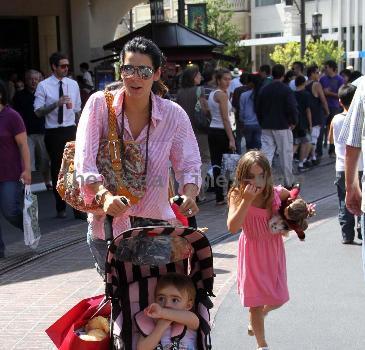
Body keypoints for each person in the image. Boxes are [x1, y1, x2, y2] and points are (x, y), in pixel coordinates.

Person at [74, 37, 201, 274]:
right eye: (128, 69)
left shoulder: (173, 115)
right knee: (120, 302)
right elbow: (84, 161)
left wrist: (190, 194)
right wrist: (103, 196)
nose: (135, 77)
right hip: (109, 225)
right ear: (120, 71)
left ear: (156, 74)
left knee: (156, 301)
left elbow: (189, 164)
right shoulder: (100, 105)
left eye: (144, 70)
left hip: (155, 225)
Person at [227, 150, 290, 350]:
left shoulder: (274, 193)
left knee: (279, 298)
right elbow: (233, 227)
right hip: (252, 252)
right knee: (255, 303)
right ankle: (262, 345)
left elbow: (292, 200)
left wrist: (302, 211)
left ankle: (261, 314)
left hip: (273, 250)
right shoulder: (237, 195)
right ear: (242, 177)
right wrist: (246, 200)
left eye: (262, 175)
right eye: (252, 177)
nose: (258, 181)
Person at [34, 52, 83, 219]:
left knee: (73, 168)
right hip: (53, 131)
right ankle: (60, 206)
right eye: (62, 66)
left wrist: (81, 130)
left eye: (67, 65)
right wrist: (56, 103)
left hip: (70, 129)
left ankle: (77, 208)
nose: (66, 68)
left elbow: (77, 110)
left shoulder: (73, 84)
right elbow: (38, 112)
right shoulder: (44, 86)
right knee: (57, 169)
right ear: (54, 67)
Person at [0, 81, 31, 258]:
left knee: (9, 210)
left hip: (10, 173)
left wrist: (27, 170)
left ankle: (28, 227)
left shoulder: (12, 116)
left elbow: (23, 145)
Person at [330, 84, 362, 244]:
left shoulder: (336, 119)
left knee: (344, 201)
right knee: (362, 200)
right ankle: (361, 230)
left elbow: (330, 139)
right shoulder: (360, 118)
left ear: (340, 101)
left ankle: (346, 234)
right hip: (360, 167)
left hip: (341, 167)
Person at [257, 64, 298, 188]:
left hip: (266, 125)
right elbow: (292, 107)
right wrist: (294, 121)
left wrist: (262, 121)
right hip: (282, 125)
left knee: (267, 154)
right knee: (285, 154)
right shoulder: (286, 89)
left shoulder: (264, 89)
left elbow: (258, 108)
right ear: (283, 74)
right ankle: (288, 182)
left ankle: (263, 182)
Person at [136, 273, 199, 350]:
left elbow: (194, 320)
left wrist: (163, 312)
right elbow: (142, 348)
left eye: (175, 300)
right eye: (161, 298)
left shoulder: (189, 321)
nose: (167, 304)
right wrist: (160, 327)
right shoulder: (151, 322)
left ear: (188, 305)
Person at [13, 69, 52, 190]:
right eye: (31, 79)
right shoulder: (18, 96)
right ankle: (26, 185)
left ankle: (47, 182)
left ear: (40, 80)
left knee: (44, 160)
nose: (33, 81)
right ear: (26, 80)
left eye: (36, 79)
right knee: (26, 162)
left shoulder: (43, 93)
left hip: (42, 131)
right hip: (26, 133)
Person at [176, 65, 210, 202]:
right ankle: (197, 189)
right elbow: (205, 109)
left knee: (188, 161)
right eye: (198, 75)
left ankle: (190, 188)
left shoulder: (179, 92)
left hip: (184, 131)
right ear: (193, 77)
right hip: (199, 130)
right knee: (204, 159)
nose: (200, 77)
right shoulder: (199, 90)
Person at [207, 68, 236, 205]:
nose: (228, 81)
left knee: (216, 164)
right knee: (229, 164)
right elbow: (226, 118)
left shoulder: (213, 94)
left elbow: (209, 112)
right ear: (218, 80)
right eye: (225, 79)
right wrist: (231, 138)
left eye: (229, 79)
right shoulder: (222, 95)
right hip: (222, 132)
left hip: (213, 130)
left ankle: (219, 196)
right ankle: (230, 194)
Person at [305, 65, 330, 166]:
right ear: (312, 74)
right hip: (316, 114)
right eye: (317, 72)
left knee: (308, 137)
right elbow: (323, 99)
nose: (319, 74)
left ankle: (313, 157)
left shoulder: (304, 84)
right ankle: (308, 158)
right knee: (314, 137)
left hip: (305, 113)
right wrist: (327, 111)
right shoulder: (316, 84)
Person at [320, 60, 344, 157]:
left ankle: (332, 150)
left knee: (334, 129)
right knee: (321, 129)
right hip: (323, 106)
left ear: (331, 68)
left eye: (326, 67)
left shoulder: (340, 79)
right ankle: (318, 152)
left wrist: (329, 93)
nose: (324, 69)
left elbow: (341, 94)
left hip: (335, 107)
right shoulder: (322, 79)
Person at [238, 73, 262, 151]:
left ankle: (249, 161)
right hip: (259, 124)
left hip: (247, 123)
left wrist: (241, 120)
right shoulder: (261, 94)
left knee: (249, 146)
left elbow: (241, 110)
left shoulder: (244, 95)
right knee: (257, 146)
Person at [293, 75, 312, 171]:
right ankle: (301, 164)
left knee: (296, 143)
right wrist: (310, 124)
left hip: (294, 122)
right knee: (306, 142)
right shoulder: (306, 94)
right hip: (303, 123)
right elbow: (308, 110)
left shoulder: (292, 94)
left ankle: (288, 164)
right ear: (304, 83)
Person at [231, 72, 249, 153]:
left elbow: (233, 106)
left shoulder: (237, 90)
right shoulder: (252, 90)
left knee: (238, 139)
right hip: (250, 119)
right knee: (250, 140)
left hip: (238, 118)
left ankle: (239, 157)